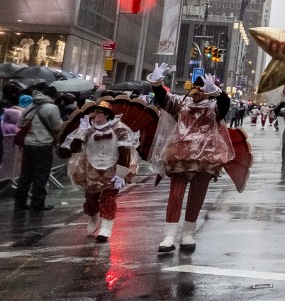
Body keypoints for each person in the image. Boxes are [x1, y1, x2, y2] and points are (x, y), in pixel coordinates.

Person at [149, 63, 234, 253]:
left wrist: (219, 94)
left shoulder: (214, 108)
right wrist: (156, 84)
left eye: (201, 88)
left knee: (197, 194)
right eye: (195, 87)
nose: (196, 91)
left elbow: (225, 105)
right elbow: (164, 99)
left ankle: (188, 233)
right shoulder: (182, 104)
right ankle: (169, 235)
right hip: (181, 154)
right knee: (176, 193)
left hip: (206, 156)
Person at [60, 100, 138, 242]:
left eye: (98, 112)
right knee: (91, 199)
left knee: (108, 198)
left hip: (112, 169)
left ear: (106, 115)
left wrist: (121, 174)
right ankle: (93, 216)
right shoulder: (87, 129)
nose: (95, 115)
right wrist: (80, 133)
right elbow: (73, 148)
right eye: (94, 112)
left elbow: (125, 151)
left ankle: (106, 227)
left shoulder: (119, 129)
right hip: (92, 169)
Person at [13, 85, 62, 212]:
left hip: (28, 144)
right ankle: (37, 204)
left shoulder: (30, 106)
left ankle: (19, 203)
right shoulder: (52, 108)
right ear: (53, 97)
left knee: (25, 174)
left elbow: (20, 123)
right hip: (43, 145)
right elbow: (57, 127)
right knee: (41, 174)